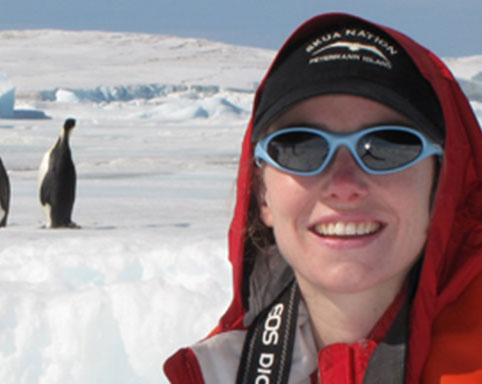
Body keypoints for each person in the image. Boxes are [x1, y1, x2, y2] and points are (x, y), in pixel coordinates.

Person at [164, 12, 482, 383]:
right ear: (262, 192)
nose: (343, 184)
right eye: (300, 147)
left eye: (388, 145)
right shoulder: (219, 373)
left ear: (442, 183)